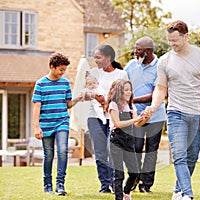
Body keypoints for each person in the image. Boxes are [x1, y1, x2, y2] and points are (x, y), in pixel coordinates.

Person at [145, 20, 200, 200]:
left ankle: (178, 190)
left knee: (191, 157)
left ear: (186, 36)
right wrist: (153, 107)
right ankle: (187, 194)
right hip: (176, 112)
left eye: (175, 40)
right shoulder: (165, 61)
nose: (172, 44)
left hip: (199, 113)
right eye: (169, 41)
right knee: (178, 154)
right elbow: (161, 88)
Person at [32, 52, 82, 195]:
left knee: (62, 151)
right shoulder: (40, 84)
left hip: (62, 122)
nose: (62, 72)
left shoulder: (65, 83)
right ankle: (47, 185)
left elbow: (68, 104)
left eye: (64, 70)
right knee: (48, 155)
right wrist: (37, 127)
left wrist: (80, 97)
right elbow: (37, 106)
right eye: (61, 69)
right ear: (52, 67)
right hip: (46, 124)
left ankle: (60, 185)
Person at [124, 36, 167, 193]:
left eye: (139, 49)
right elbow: (122, 84)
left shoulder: (160, 67)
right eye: (135, 48)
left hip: (155, 115)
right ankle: (134, 177)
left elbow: (156, 93)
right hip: (136, 116)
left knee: (151, 150)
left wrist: (132, 99)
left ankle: (146, 184)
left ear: (148, 51)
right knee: (135, 147)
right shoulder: (131, 66)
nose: (135, 52)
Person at [86, 44, 128, 194]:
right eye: (94, 57)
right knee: (100, 153)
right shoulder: (94, 74)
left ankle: (114, 183)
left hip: (112, 117)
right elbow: (85, 91)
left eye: (98, 57)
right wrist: (93, 96)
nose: (95, 60)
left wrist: (106, 101)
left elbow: (125, 96)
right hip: (94, 117)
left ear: (108, 58)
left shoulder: (121, 74)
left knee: (113, 152)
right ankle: (105, 185)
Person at [106, 79, 150, 200]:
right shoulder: (113, 105)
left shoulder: (131, 106)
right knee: (119, 173)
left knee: (134, 172)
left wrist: (145, 118)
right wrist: (135, 120)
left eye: (130, 89)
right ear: (119, 91)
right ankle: (119, 197)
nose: (129, 92)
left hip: (129, 140)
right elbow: (118, 124)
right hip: (117, 139)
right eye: (126, 90)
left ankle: (126, 191)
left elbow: (137, 124)